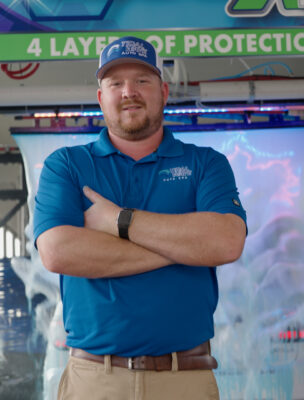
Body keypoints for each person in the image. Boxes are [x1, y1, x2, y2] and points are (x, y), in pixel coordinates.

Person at [34, 36, 247, 400]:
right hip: (94, 379)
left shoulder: (206, 163)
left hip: (185, 378)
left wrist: (120, 221)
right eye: (115, 83)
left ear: (163, 91)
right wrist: (185, 246)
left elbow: (226, 241)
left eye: (142, 81)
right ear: (101, 97)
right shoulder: (66, 166)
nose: (128, 91)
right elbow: (59, 253)